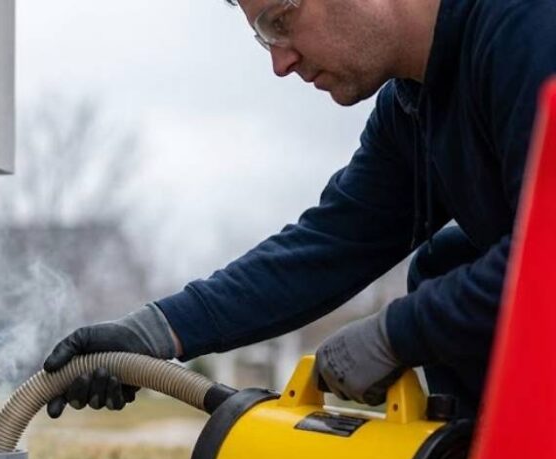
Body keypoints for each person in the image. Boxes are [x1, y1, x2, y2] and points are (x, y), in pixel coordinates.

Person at [43, 0, 556, 420]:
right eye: (266, 38)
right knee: (441, 266)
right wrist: (153, 331)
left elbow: (546, 258)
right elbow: (326, 247)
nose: (280, 63)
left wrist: (398, 332)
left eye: (282, 21)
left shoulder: (529, 27)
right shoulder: (412, 108)